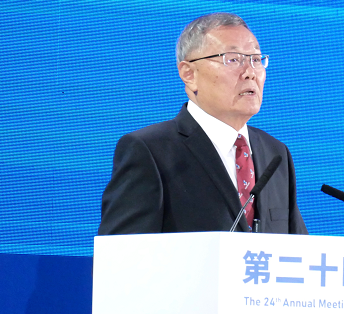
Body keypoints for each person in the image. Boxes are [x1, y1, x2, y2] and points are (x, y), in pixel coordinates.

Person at [98, 13, 307, 235]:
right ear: (189, 74)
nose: (250, 73)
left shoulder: (275, 153)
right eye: (233, 59)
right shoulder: (150, 150)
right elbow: (121, 251)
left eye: (256, 59)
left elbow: (298, 246)